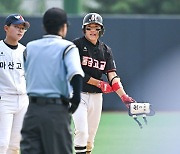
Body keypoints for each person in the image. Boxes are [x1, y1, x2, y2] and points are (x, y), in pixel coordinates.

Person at [20, 7, 84, 154]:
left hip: (32, 111)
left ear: (44, 26)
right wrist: (75, 101)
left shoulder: (30, 47)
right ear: (64, 27)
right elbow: (76, 74)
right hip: (56, 111)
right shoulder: (68, 47)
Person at [72, 13, 136, 154]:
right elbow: (75, 72)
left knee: (90, 138)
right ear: (84, 30)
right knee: (81, 131)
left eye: (96, 27)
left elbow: (112, 75)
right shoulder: (76, 45)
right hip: (78, 94)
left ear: (101, 30)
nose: (93, 31)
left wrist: (123, 96)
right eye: (89, 28)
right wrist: (99, 84)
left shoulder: (106, 50)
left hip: (96, 98)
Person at [0, 14, 30, 154]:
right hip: (4, 99)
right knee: (2, 143)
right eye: (16, 27)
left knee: (15, 145)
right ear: (6, 28)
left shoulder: (25, 51)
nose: (20, 30)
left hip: (22, 100)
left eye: (22, 28)